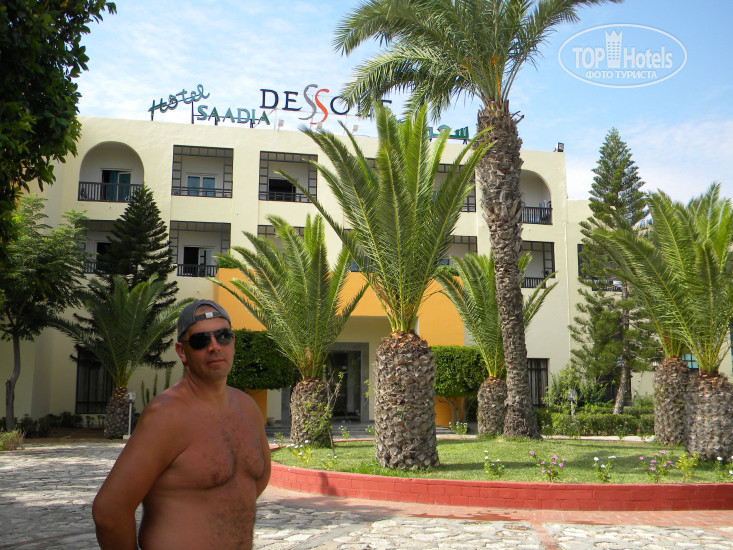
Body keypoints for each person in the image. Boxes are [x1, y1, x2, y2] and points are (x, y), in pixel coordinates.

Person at [92, 299, 271, 550]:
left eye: (223, 336)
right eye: (200, 340)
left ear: (233, 342)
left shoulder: (248, 408)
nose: (214, 346)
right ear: (182, 352)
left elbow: (250, 485)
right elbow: (109, 512)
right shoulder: (166, 416)